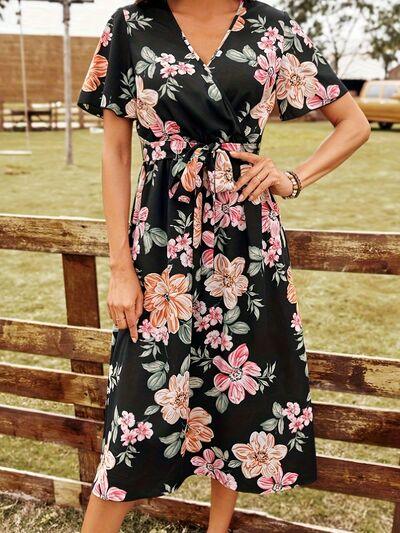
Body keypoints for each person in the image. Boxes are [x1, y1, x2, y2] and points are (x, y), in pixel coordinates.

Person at [77, 1, 370, 531]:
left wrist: (294, 177)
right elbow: (116, 153)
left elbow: (353, 123)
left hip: (247, 243)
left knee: (236, 396)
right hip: (161, 245)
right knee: (137, 407)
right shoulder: (131, 26)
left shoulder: (272, 27)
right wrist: (121, 267)